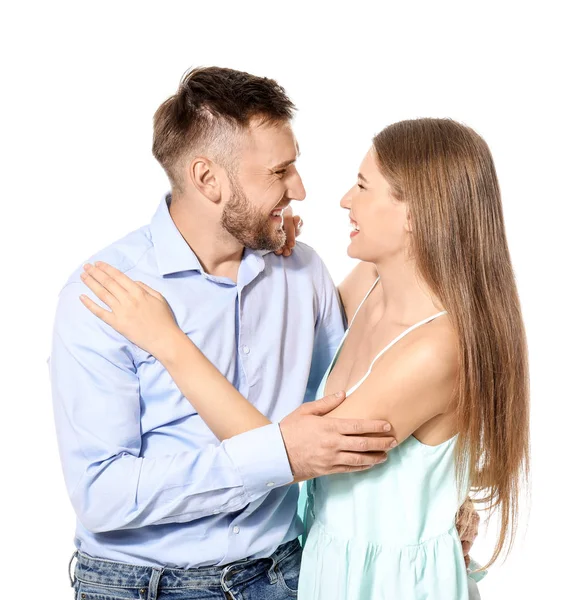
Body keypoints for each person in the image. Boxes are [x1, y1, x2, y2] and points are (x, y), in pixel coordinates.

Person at [50, 66, 478, 599]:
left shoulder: (302, 273)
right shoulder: (107, 297)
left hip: (286, 576)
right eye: (280, 172)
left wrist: (435, 496)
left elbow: (353, 404)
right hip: (145, 587)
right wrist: (278, 455)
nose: (301, 188)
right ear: (208, 179)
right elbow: (102, 495)